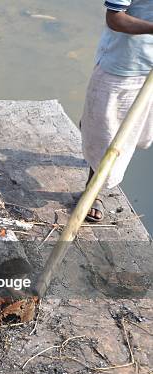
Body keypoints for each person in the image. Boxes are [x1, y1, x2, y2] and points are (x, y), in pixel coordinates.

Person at [81, 1, 153, 222]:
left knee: (137, 132)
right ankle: (93, 191)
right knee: (107, 138)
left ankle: (90, 124)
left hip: (148, 66)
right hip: (123, 65)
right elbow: (115, 18)